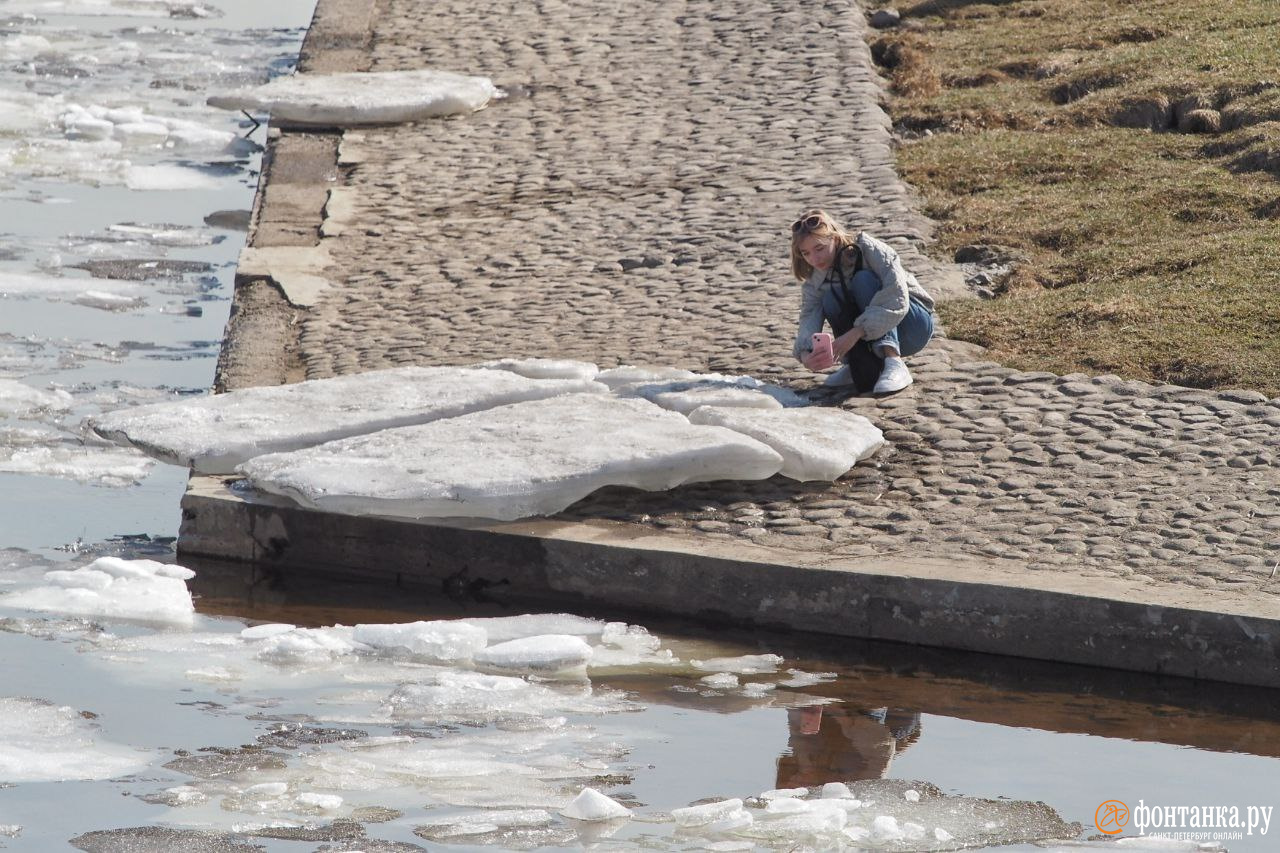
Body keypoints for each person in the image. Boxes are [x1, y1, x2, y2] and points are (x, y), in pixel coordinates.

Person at [790, 209, 935, 394]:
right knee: (829, 298)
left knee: (863, 280)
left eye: (819, 248)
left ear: (834, 238)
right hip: (871, 335)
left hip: (914, 327)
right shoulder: (815, 280)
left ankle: (894, 362)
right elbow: (809, 316)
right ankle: (856, 363)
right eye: (806, 253)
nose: (814, 259)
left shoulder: (870, 249)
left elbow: (896, 297)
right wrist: (805, 354)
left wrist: (857, 332)